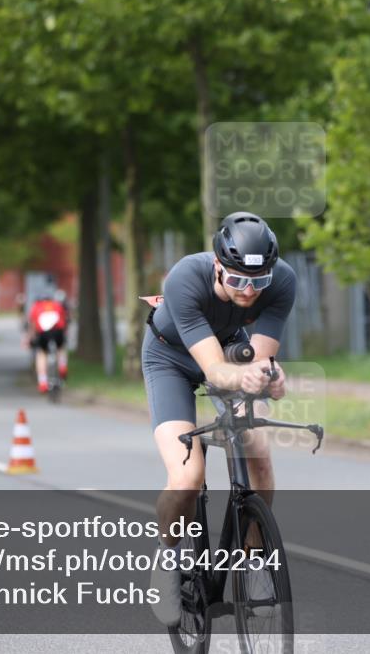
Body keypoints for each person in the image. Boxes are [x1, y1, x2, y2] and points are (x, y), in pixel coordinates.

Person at [142, 211, 295, 624]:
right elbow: (212, 371)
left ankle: (254, 560)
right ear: (217, 266)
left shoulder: (282, 281)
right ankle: (168, 559)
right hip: (171, 358)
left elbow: (259, 359)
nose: (249, 291)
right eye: (238, 280)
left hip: (231, 350)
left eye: (258, 281)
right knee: (188, 476)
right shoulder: (184, 279)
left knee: (258, 453)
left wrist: (271, 376)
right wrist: (251, 376)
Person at [27, 291, 68, 393]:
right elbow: (64, 320)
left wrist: (30, 338)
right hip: (57, 331)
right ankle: (62, 366)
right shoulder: (57, 305)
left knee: (41, 354)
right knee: (61, 348)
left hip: (43, 333)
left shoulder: (36, 306)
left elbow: (32, 325)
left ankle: (43, 381)